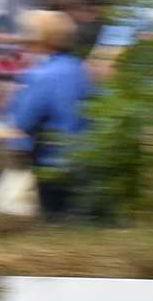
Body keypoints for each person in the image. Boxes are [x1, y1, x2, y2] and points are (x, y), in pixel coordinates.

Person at [6, 11, 91, 220]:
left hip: (51, 161)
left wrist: (14, 145)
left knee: (50, 222)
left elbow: (23, 122)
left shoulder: (41, 76)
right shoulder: (81, 69)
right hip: (84, 159)